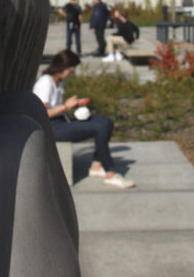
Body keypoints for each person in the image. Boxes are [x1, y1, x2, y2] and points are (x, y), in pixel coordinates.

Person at [33, 49, 135, 188]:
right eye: (70, 70)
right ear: (62, 68)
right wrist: (65, 106)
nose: (72, 73)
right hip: (50, 128)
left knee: (105, 122)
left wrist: (74, 105)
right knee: (99, 127)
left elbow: (57, 108)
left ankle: (97, 164)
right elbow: (41, 113)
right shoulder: (46, 83)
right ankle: (110, 173)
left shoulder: (58, 82)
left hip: (60, 121)